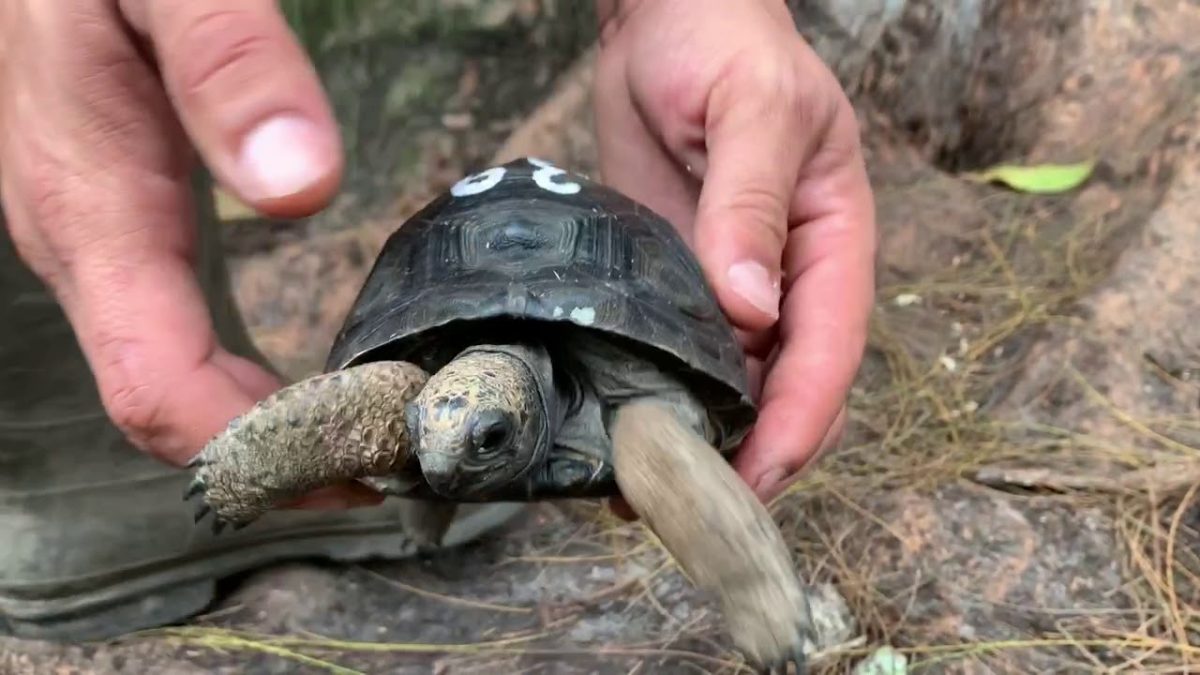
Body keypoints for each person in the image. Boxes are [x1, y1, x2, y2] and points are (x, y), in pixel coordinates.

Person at [0, 0, 875, 640]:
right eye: (428, 434)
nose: (443, 453)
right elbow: (386, 407)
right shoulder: (413, 406)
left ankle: (785, 626)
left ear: (524, 413)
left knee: (657, 452)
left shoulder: (636, 422)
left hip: (621, 378)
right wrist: (248, 463)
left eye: (481, 440)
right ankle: (73, 454)